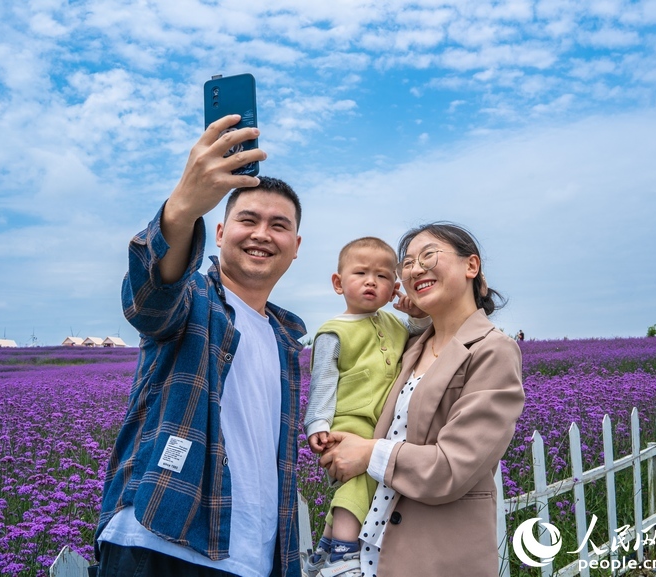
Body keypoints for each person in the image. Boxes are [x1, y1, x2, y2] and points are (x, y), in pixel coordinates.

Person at [93, 115, 306, 577]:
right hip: (161, 543)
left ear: (296, 246)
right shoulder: (196, 299)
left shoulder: (287, 338)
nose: (262, 233)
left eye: (279, 225)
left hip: (253, 559)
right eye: (247, 219)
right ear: (222, 233)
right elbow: (151, 300)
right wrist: (182, 209)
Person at [319, 222, 525, 577]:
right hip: (368, 551)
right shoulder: (413, 346)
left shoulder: (493, 350)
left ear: (470, 266)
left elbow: (451, 467)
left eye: (429, 255)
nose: (416, 269)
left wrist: (368, 453)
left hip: (433, 557)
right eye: (408, 263)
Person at [301, 237, 429, 577]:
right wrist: (317, 424)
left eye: (383, 276)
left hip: (383, 424)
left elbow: (421, 336)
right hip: (349, 422)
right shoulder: (333, 331)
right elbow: (323, 382)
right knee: (360, 481)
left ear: (394, 289)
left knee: (366, 484)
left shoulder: (393, 324)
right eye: (360, 273)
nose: (371, 281)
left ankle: (325, 547)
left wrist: (415, 314)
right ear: (338, 283)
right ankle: (344, 552)